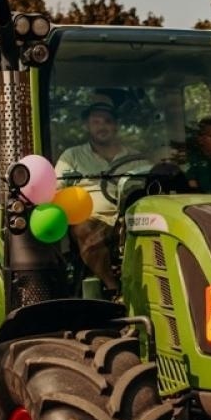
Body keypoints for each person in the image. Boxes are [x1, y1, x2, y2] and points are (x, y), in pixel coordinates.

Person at [54, 93, 143, 291]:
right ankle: (114, 289)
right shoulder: (72, 156)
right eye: (96, 122)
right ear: (87, 125)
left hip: (130, 219)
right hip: (93, 218)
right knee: (83, 228)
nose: (102, 127)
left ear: (116, 125)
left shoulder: (135, 157)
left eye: (107, 121)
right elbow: (55, 188)